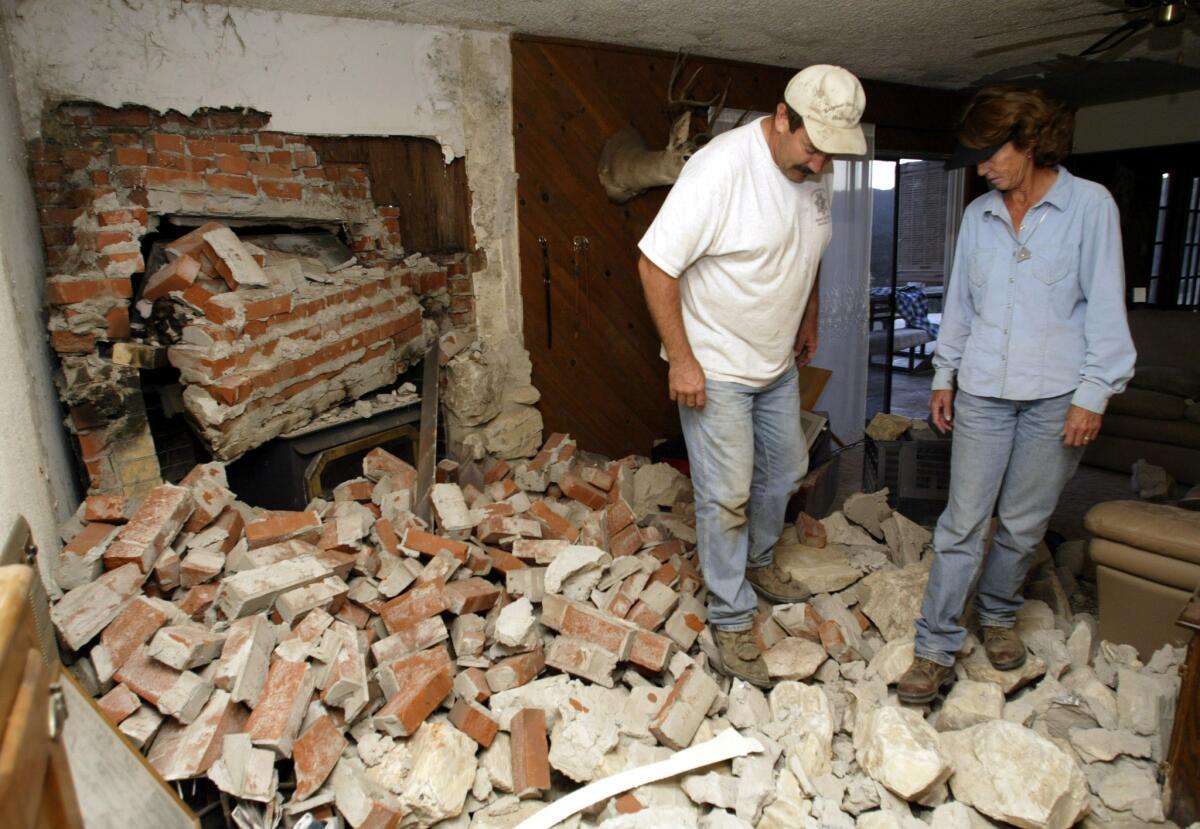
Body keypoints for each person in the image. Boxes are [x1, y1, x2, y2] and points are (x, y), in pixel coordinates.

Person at [897, 86, 1136, 704]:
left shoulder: (1090, 207)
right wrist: (944, 375)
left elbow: (1107, 309)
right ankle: (934, 647)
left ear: (1028, 143)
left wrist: (1095, 394)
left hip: (1056, 396)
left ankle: (999, 614)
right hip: (982, 391)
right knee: (961, 524)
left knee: (1025, 526)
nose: (981, 169)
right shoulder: (979, 216)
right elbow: (960, 305)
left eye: (989, 154)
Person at [637, 65, 867, 687]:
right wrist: (683, 360)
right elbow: (655, 266)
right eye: (811, 148)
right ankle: (732, 616)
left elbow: (809, 246)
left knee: (788, 470)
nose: (818, 166)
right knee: (727, 494)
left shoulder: (815, 170)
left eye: (830, 155)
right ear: (782, 116)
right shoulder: (720, 169)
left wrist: (809, 314)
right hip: (715, 367)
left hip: (775, 363)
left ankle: (759, 561)